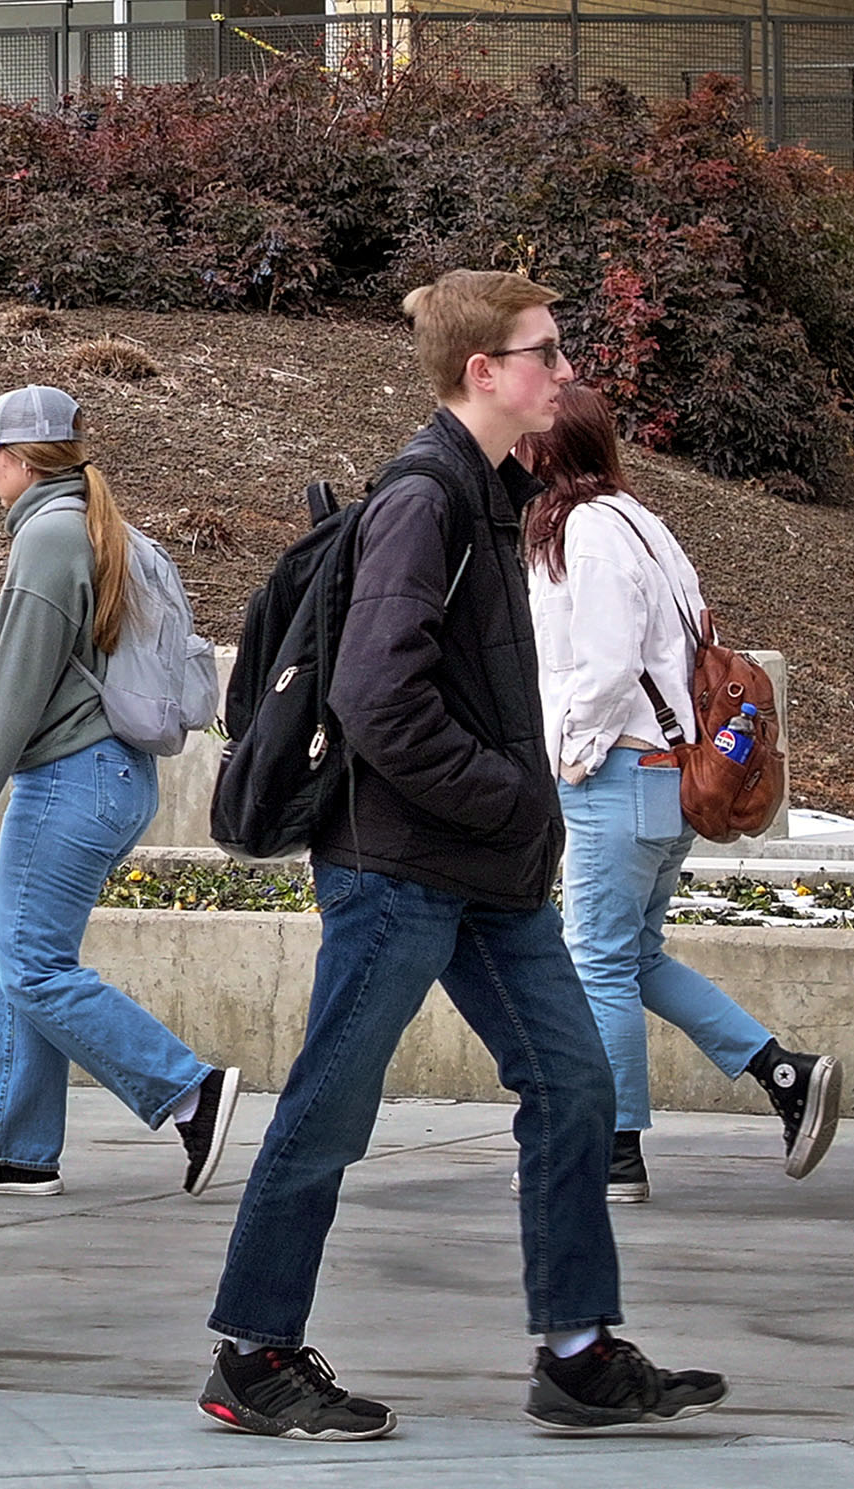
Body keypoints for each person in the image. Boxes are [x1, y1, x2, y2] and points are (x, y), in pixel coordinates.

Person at [201, 271, 728, 1442]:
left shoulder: (490, 494)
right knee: (333, 1101)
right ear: (482, 371)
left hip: (481, 872)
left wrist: (506, 815)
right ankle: (252, 1352)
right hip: (397, 868)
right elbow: (376, 699)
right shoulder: (425, 499)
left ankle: (578, 1349)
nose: (565, 371)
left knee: (577, 1083)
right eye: (545, 352)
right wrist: (513, 795)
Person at [525, 385, 841, 1203]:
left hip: (621, 774)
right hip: (673, 782)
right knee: (636, 957)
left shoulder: (584, 533)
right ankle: (783, 1071)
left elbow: (598, 667)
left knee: (596, 961)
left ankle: (614, 1149)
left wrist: (567, 755)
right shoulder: (641, 520)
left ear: (545, 449)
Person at [0, 385, 241, 1202]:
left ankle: (189, 1092)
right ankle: (7, 1146)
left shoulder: (50, 536)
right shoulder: (108, 531)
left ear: (21, 461)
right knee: (12, 961)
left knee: (30, 961)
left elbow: (18, 682)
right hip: (113, 776)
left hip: (70, 778)